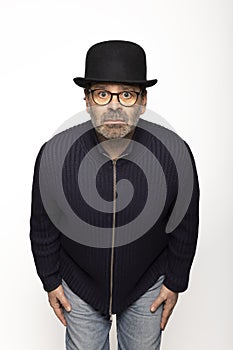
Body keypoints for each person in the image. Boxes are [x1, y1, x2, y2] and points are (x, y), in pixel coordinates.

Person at [29, 40, 200, 350]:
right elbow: (42, 224)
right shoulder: (54, 152)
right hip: (78, 286)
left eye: (127, 94)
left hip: (148, 284)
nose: (114, 105)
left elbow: (185, 223)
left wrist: (175, 281)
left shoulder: (175, 152)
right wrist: (50, 279)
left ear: (143, 101)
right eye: (103, 94)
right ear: (87, 100)